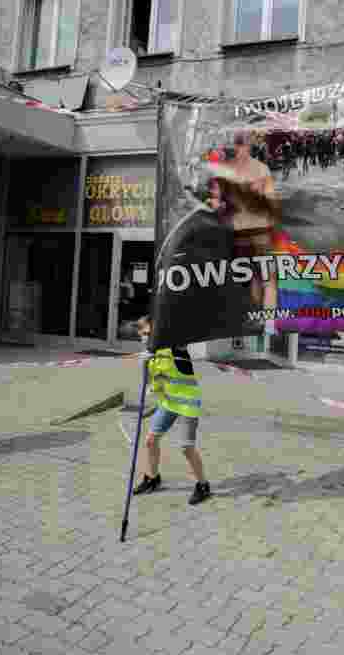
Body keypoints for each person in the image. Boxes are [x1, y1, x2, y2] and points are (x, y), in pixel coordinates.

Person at [132, 315, 212, 505]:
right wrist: (143, 363)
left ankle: (203, 485)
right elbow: (154, 383)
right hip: (168, 403)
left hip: (187, 404)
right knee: (151, 441)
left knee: (186, 447)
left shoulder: (176, 346)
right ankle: (152, 478)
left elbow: (186, 332)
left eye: (148, 334)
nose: (144, 338)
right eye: (141, 335)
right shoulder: (150, 356)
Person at [217, 131, 281, 318]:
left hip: (239, 233)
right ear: (249, 145)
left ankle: (254, 320)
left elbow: (222, 203)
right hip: (261, 230)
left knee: (252, 275)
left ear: (234, 145)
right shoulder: (261, 169)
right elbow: (270, 199)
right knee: (268, 279)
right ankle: (268, 323)